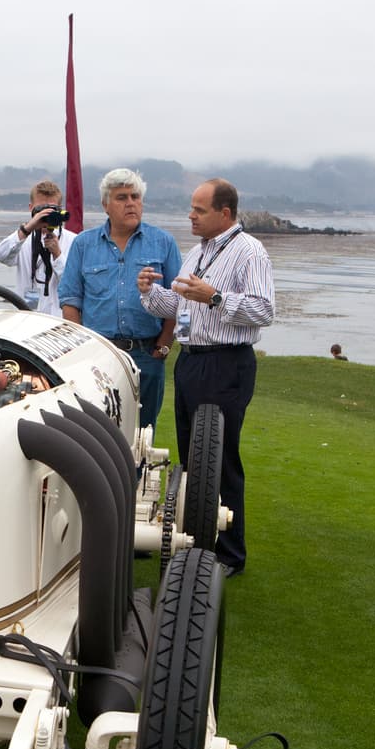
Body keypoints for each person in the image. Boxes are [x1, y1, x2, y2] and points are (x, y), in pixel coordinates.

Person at [137, 178, 274, 577]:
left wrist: (215, 296)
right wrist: (149, 293)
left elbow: (264, 310)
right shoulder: (197, 253)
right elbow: (180, 305)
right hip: (192, 359)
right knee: (193, 457)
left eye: (199, 209)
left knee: (220, 457)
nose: (191, 215)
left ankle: (230, 554)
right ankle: (196, 542)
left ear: (224, 214)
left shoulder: (250, 251)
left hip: (226, 363)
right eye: (192, 208)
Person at [57, 168, 181, 430]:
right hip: (98, 355)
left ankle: (138, 473)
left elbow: (178, 299)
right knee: (95, 431)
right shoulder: (83, 244)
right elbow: (70, 300)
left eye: (135, 197)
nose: (131, 203)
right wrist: (82, 349)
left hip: (147, 354)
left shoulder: (163, 243)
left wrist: (164, 346)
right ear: (105, 205)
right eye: (122, 197)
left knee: (143, 434)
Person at [0, 179, 77, 316]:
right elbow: (2, 256)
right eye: (41, 210)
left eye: (52, 210)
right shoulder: (22, 239)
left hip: (59, 320)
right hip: (28, 317)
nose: (47, 215)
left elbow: (74, 284)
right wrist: (27, 229)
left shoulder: (74, 241)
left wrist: (58, 255)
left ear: (60, 210)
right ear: (31, 208)